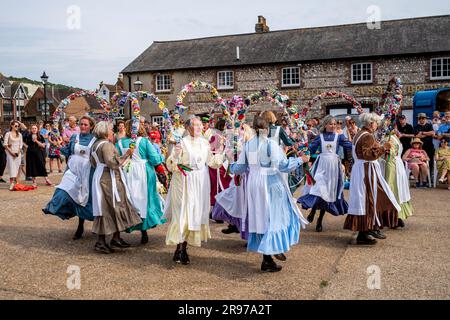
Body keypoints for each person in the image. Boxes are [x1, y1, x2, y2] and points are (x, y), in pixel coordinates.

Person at [230, 116, 310, 272]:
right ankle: (272, 249)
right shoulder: (271, 145)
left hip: (254, 184)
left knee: (260, 218)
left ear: (253, 129)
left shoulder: (248, 145)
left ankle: (267, 259)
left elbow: (239, 168)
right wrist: (301, 159)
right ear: (267, 129)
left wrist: (230, 167)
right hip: (270, 183)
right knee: (278, 215)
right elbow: (284, 165)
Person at [164, 117, 225, 265]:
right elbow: (171, 165)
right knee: (182, 213)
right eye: (195, 125)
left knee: (194, 214)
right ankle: (179, 248)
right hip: (183, 181)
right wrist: (176, 155)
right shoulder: (181, 142)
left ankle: (184, 248)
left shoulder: (205, 143)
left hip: (200, 181)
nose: (199, 128)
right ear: (188, 127)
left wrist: (221, 150)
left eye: (200, 125)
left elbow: (212, 162)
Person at [344, 113, 400, 245]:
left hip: (362, 169)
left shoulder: (360, 134)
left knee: (365, 199)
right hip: (367, 170)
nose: (377, 125)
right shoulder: (367, 136)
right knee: (372, 197)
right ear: (371, 123)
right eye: (376, 123)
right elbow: (368, 155)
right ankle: (371, 227)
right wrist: (383, 148)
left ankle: (366, 231)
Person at [91, 121, 142, 254]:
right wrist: (126, 155)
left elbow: (93, 162)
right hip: (108, 179)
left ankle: (116, 237)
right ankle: (101, 241)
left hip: (100, 176)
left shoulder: (94, 144)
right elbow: (113, 163)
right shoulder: (106, 145)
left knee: (108, 207)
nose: (112, 131)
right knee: (110, 206)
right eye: (110, 129)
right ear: (105, 131)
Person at [43, 116, 97, 240]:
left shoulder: (95, 140)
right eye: (81, 124)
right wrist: (58, 146)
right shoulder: (74, 137)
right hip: (72, 171)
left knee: (84, 199)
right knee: (63, 189)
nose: (83, 126)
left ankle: (82, 226)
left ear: (91, 126)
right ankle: (53, 207)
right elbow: (68, 151)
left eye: (86, 124)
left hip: (88, 173)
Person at [298, 116, 352, 232]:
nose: (333, 126)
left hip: (333, 169)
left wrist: (359, 146)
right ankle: (312, 211)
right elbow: (310, 149)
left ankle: (319, 220)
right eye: (330, 124)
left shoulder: (339, 136)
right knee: (318, 189)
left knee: (327, 194)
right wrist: (303, 151)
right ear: (325, 125)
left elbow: (350, 146)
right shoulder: (320, 137)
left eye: (334, 124)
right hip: (321, 167)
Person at [117, 120, 166, 245]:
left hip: (126, 172)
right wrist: (162, 156)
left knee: (130, 198)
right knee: (146, 198)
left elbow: (117, 157)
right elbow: (155, 159)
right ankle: (144, 230)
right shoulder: (144, 141)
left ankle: (128, 224)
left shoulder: (120, 142)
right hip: (144, 172)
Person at [383, 133, 413, 228]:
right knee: (396, 190)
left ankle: (395, 217)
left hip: (394, 166)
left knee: (394, 190)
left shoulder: (390, 138)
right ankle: (395, 217)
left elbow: (389, 156)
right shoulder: (390, 137)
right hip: (395, 165)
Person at [208, 119, 232, 224]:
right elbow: (212, 150)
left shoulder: (226, 137)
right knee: (218, 187)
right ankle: (216, 213)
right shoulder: (215, 137)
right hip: (216, 165)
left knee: (223, 186)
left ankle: (220, 212)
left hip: (223, 164)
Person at [3, 121, 24, 190]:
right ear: (11, 126)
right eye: (15, 126)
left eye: (18, 126)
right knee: (12, 168)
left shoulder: (20, 134)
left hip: (18, 154)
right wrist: (11, 152)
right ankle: (12, 183)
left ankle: (17, 183)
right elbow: (5, 144)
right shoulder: (8, 134)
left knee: (17, 168)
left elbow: (21, 145)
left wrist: (18, 152)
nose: (17, 127)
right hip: (10, 153)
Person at [414, 113, 435, 178]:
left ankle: (430, 177)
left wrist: (423, 132)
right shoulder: (416, 127)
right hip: (420, 148)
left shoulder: (429, 125)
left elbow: (432, 133)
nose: (421, 119)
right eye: (419, 118)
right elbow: (417, 136)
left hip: (429, 147)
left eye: (423, 118)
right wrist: (427, 134)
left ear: (425, 119)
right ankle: (421, 178)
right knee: (420, 161)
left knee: (430, 162)